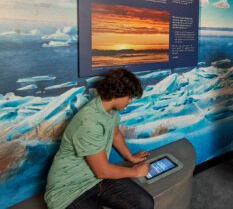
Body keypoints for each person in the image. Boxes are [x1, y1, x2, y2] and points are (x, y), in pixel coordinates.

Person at [44, 68, 154, 209]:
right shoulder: (89, 121)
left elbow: (115, 134)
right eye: (129, 97)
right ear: (117, 94)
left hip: (96, 179)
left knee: (145, 204)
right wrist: (136, 172)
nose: (130, 101)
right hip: (69, 191)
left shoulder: (108, 110)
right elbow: (103, 171)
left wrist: (130, 158)